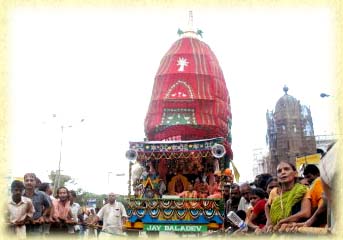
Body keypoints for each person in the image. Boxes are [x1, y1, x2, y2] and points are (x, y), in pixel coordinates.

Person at [264, 162, 311, 232]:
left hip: (294, 230)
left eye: (286, 169)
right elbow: (267, 206)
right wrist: (269, 222)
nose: (283, 172)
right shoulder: (274, 192)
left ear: (295, 174)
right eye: (279, 171)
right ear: (277, 177)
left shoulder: (302, 190)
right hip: (276, 230)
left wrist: (284, 221)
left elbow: (306, 213)